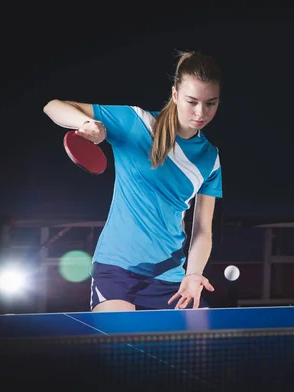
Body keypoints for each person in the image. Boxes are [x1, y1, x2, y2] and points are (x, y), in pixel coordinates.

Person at [43, 50, 223, 312]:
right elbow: (53, 106)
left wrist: (193, 274)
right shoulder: (138, 123)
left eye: (211, 103)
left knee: (204, 347)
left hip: (170, 276)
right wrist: (86, 123)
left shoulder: (210, 158)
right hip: (117, 270)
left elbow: (203, 229)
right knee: (122, 343)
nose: (201, 112)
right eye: (192, 101)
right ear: (175, 95)